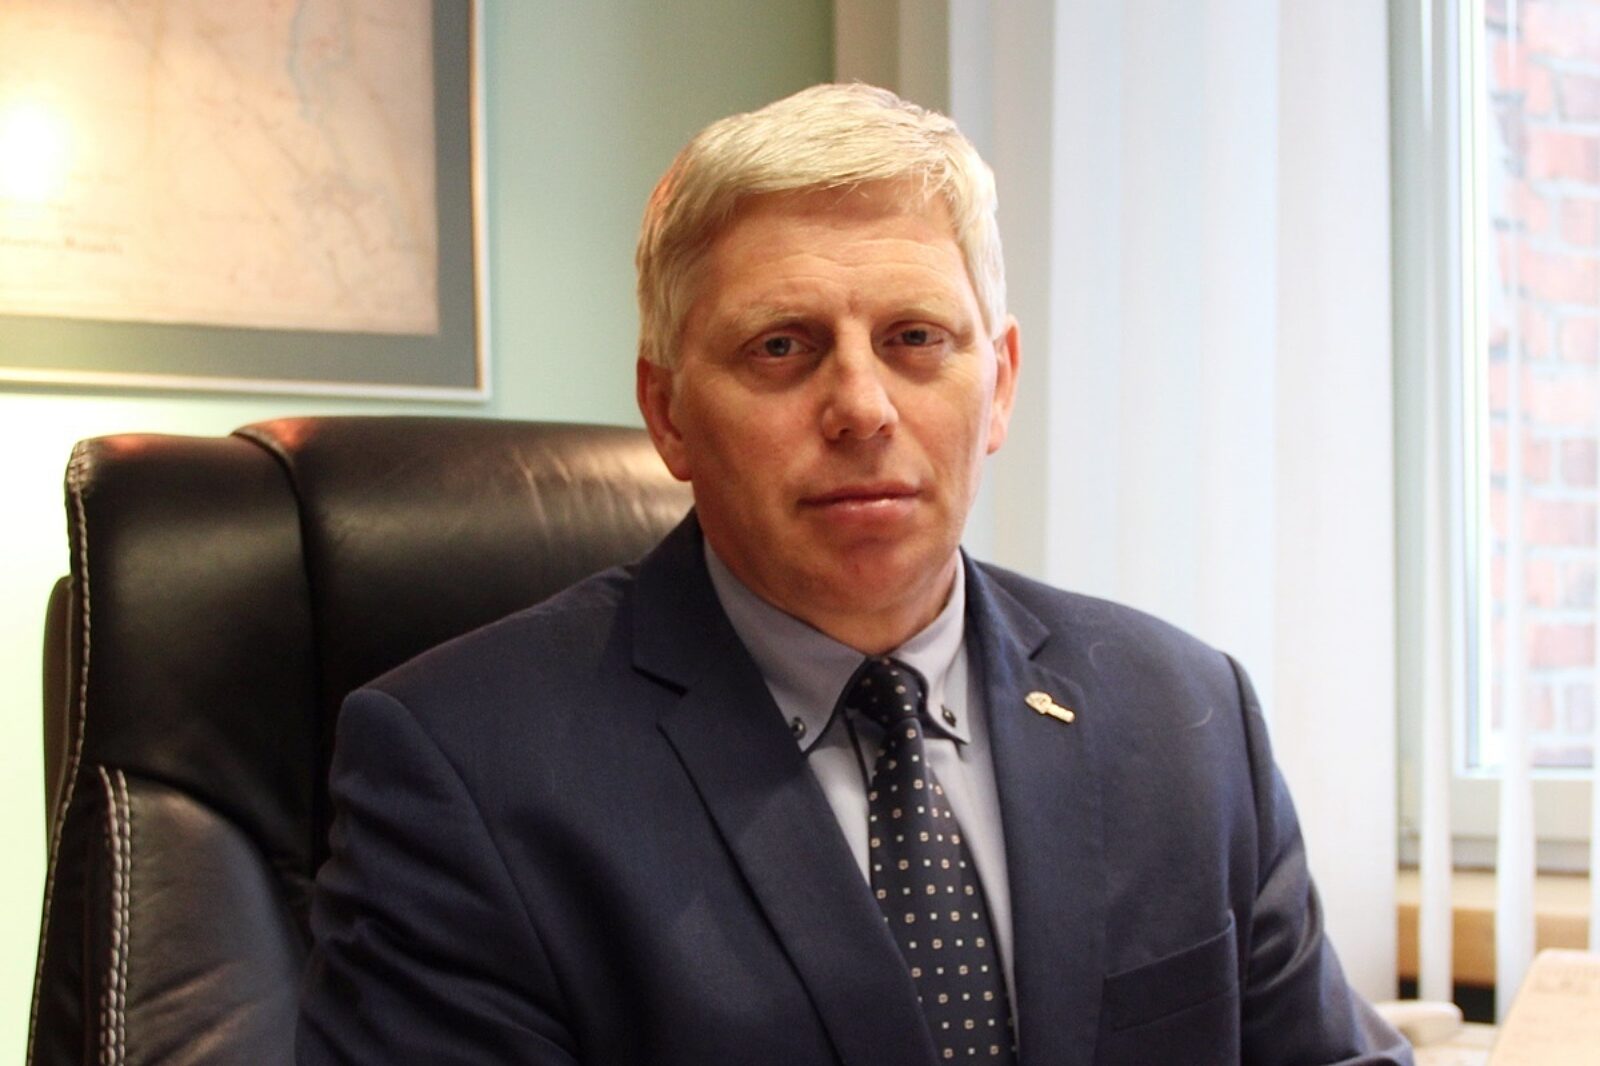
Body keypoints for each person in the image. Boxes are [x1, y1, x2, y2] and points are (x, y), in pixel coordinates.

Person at [297, 83, 1412, 1065]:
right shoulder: (463, 767)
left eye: (916, 338)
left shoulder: (1184, 716)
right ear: (667, 413)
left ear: (1000, 383)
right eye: (781, 346)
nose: (863, 408)